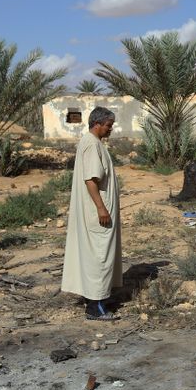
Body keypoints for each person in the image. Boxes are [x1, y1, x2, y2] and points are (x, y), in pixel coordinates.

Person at [61, 106, 122, 320]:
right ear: (97, 124)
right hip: (97, 213)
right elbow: (91, 179)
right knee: (99, 256)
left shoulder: (94, 143)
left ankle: (97, 299)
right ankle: (95, 307)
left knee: (98, 255)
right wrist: (101, 207)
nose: (110, 129)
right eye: (108, 125)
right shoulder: (90, 144)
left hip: (98, 211)